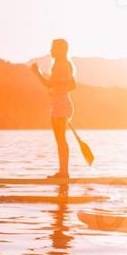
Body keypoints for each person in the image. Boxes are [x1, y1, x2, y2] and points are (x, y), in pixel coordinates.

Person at [29, 39, 78, 178]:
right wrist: (62, 83)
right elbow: (73, 85)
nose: (51, 50)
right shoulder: (64, 64)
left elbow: (49, 84)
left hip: (61, 105)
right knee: (60, 140)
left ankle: (64, 173)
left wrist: (37, 72)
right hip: (60, 104)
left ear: (61, 50)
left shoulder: (61, 65)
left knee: (61, 140)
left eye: (53, 48)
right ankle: (63, 172)